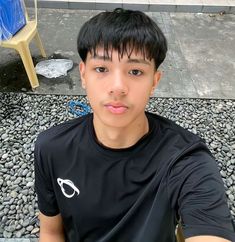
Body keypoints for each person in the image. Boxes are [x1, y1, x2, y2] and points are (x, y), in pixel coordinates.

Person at [34, 8, 235, 242]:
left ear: (154, 82)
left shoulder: (185, 161)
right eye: (101, 69)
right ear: (83, 74)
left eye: (136, 71)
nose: (118, 87)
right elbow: (50, 232)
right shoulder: (52, 148)